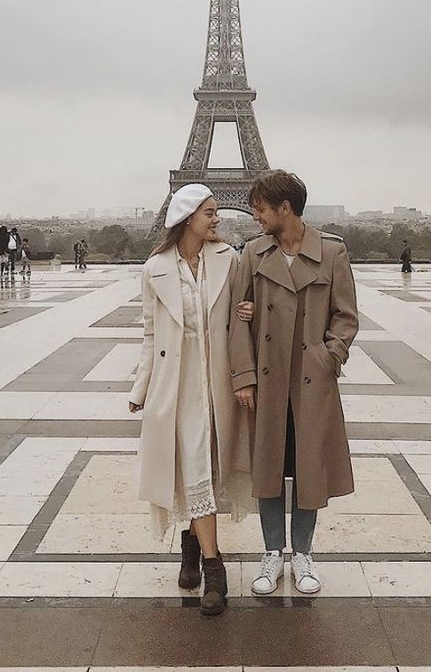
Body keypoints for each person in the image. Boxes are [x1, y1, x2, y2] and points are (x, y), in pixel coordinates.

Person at [229, 170, 359, 596]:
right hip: (268, 379)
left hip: (309, 379)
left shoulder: (333, 252)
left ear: (285, 208)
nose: (256, 216)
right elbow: (237, 319)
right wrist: (244, 377)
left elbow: (346, 315)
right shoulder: (252, 253)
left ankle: (302, 552)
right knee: (268, 467)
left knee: (308, 468)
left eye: (262, 208)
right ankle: (272, 551)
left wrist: (329, 357)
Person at [128, 184, 255, 617]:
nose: (217, 219)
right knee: (192, 464)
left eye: (216, 211)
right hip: (177, 385)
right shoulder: (154, 269)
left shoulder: (229, 259)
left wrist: (248, 312)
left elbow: (243, 309)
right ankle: (213, 566)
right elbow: (150, 333)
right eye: (209, 213)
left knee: (203, 466)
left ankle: (191, 546)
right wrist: (141, 389)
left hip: (216, 382)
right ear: (187, 219)